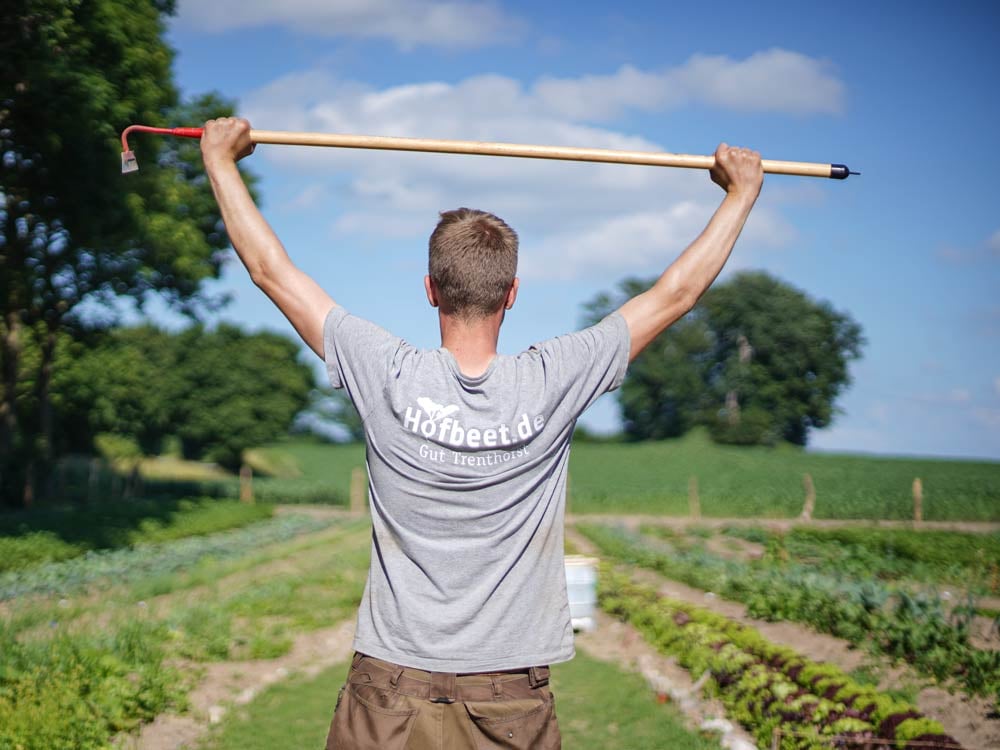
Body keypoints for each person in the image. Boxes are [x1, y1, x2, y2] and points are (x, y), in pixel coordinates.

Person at [200, 117, 763, 750]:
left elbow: (270, 271)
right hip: (509, 695)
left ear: (430, 290)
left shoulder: (384, 369)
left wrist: (220, 160)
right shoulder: (555, 377)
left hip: (388, 688)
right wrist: (739, 192)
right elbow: (676, 294)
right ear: (513, 293)